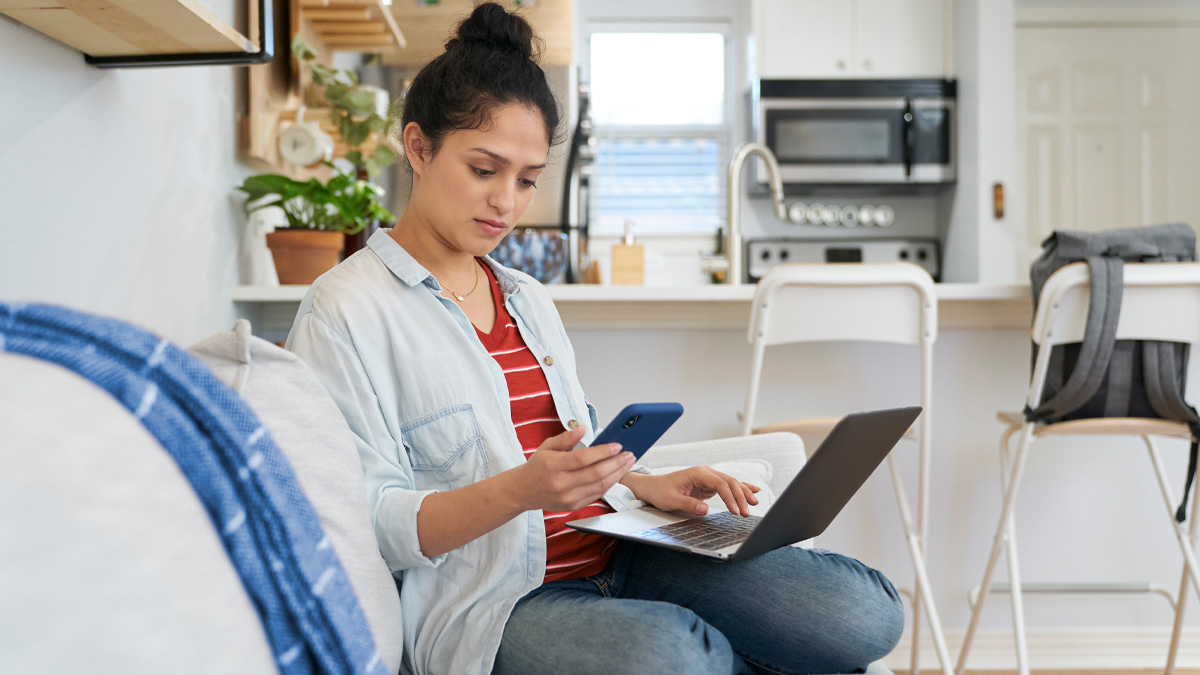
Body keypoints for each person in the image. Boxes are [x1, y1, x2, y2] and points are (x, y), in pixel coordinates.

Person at [287, 4, 904, 674]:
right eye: (484, 168)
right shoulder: (346, 309)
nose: (506, 202)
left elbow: (571, 460)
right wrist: (520, 490)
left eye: (526, 180)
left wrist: (645, 483)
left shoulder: (526, 298)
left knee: (865, 611)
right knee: (681, 653)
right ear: (418, 147)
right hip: (499, 605)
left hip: (620, 550)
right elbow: (371, 525)